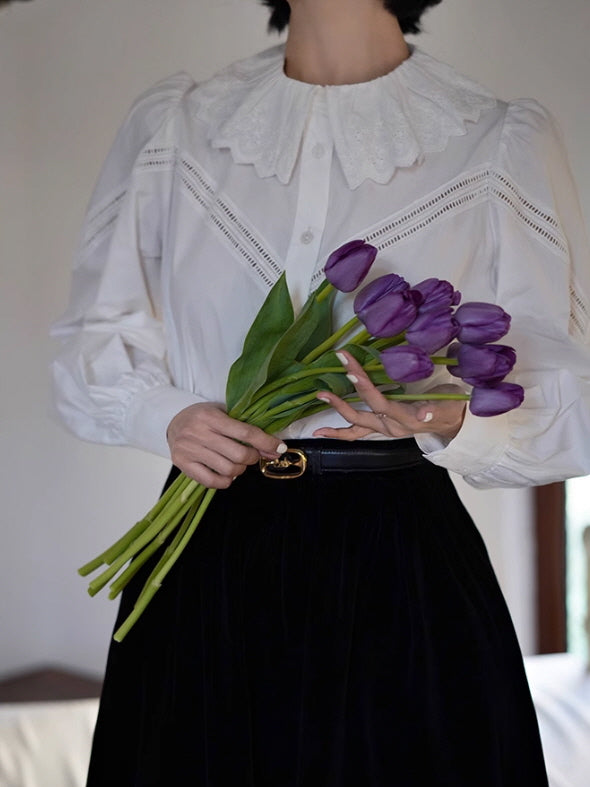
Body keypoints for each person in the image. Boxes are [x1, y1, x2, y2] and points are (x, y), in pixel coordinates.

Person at [51, 0, 590, 784]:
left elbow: (566, 396)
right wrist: (162, 415)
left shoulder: (498, 140)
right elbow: (92, 337)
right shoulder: (177, 129)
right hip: (207, 554)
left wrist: (444, 417)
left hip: (399, 566)